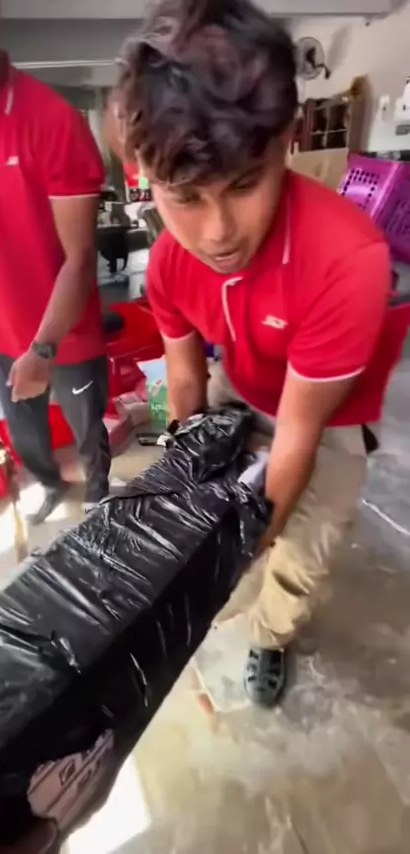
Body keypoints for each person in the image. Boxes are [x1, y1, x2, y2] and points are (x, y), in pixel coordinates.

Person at [110, 0, 393, 707]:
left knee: (299, 552)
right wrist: (182, 477)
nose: (218, 233)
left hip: (322, 419)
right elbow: (184, 380)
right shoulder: (169, 264)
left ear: (287, 141)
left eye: (243, 185)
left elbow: (297, 434)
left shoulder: (348, 259)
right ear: (141, 172)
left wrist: (245, 544)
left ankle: (271, 636)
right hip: (236, 385)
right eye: (186, 197)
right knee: (204, 527)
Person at [0, 0, 110, 525]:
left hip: (67, 334)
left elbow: (80, 257)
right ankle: (49, 483)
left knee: (86, 426)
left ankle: (100, 490)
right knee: (25, 429)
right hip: (2, 330)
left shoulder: (53, 120)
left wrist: (43, 348)